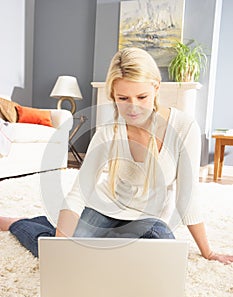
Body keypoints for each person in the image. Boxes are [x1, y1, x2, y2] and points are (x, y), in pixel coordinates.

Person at [0, 47, 232, 264]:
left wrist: (208, 252)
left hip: (147, 222)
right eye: (123, 98)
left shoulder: (183, 127)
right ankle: (20, 224)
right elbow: (80, 192)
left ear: (156, 88)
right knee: (58, 253)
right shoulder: (107, 132)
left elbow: (187, 198)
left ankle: (67, 233)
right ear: (113, 95)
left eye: (142, 97)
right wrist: (62, 245)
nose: (133, 108)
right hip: (102, 211)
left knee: (161, 249)